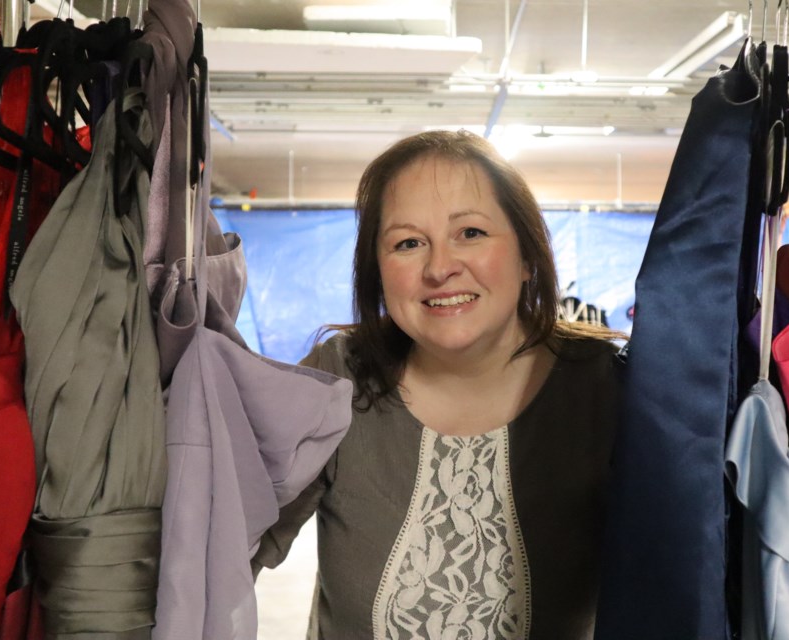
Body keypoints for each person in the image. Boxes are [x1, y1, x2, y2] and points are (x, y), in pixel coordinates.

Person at [253, 129, 624, 639]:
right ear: (377, 274)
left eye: (470, 232)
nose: (441, 267)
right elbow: (228, 547)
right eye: (408, 243)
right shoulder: (339, 379)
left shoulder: (607, 386)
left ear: (527, 256)